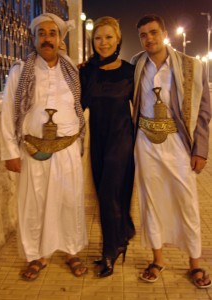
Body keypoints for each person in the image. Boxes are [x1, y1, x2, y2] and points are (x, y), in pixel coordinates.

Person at [1, 13, 88, 281]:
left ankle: (72, 251)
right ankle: (36, 256)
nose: (47, 38)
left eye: (52, 33)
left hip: (67, 150)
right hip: (33, 150)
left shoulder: (71, 69)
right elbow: (7, 113)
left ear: (60, 39)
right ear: (35, 38)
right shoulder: (20, 70)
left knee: (69, 201)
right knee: (34, 204)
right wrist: (10, 152)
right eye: (42, 33)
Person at [132, 14, 211, 288]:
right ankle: (157, 259)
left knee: (186, 201)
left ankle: (195, 263)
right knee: (150, 201)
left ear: (164, 33)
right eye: (143, 34)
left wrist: (200, 149)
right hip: (145, 142)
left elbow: (203, 110)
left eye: (153, 32)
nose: (148, 38)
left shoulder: (191, 66)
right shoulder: (137, 65)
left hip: (178, 142)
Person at [80, 16, 135, 278]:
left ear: (118, 40)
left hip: (122, 140)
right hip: (98, 141)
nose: (103, 42)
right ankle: (119, 239)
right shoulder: (86, 71)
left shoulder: (130, 70)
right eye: (98, 37)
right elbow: (76, 106)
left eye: (108, 37)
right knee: (105, 196)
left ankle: (109, 251)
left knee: (109, 192)